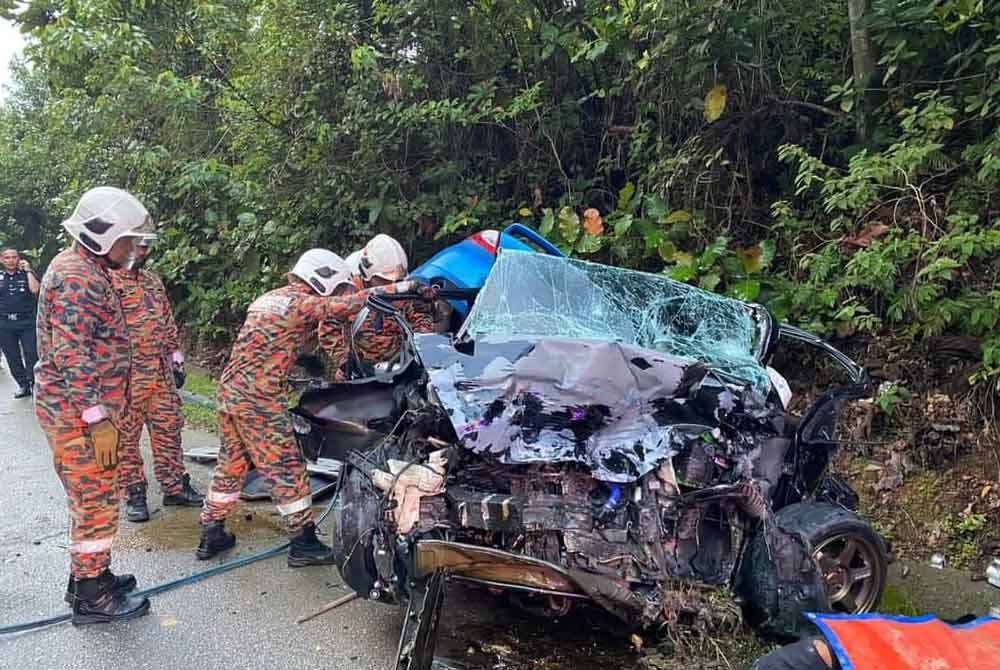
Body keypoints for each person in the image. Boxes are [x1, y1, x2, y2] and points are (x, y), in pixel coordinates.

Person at [196, 249, 428, 566]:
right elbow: (346, 305)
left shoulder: (271, 299)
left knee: (231, 463)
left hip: (232, 392)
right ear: (321, 280)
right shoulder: (300, 302)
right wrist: (400, 288)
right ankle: (303, 541)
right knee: (287, 468)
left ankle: (211, 530)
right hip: (258, 400)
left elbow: (269, 342)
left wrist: (303, 360)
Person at [35, 186, 157, 625]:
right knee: (96, 502)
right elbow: (71, 352)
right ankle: (91, 598)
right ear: (101, 235)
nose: (133, 248)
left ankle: (92, 576)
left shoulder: (86, 267)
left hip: (83, 408)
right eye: (127, 239)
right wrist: (97, 418)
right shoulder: (77, 276)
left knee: (95, 497)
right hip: (78, 414)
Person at [111, 240, 204, 523]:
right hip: (126, 377)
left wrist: (176, 357)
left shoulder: (152, 280)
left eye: (145, 247)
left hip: (160, 375)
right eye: (137, 247)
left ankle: (175, 486)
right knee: (126, 439)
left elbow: (167, 320)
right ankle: (134, 493)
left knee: (169, 430)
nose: (142, 252)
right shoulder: (107, 281)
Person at [326, 235, 436, 379]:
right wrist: (343, 361)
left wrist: (423, 346)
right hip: (359, 368)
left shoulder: (402, 290)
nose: (391, 286)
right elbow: (328, 328)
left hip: (398, 366)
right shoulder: (348, 294)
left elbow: (419, 318)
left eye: (396, 282)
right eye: (385, 281)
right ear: (368, 275)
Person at [0, 247, 40, 398]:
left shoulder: (27, 275)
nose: (11, 260)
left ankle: (35, 383)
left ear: (19, 259)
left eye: (14, 257)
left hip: (26, 322)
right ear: (2, 260)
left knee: (31, 354)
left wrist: (29, 270)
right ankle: (23, 385)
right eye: (7, 257)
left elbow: (35, 290)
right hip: (5, 323)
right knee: (12, 356)